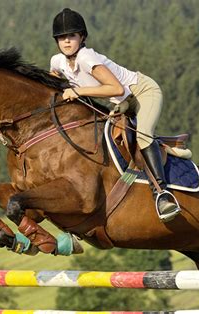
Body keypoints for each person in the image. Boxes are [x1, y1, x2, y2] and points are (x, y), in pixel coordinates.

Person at [50, 8, 180, 222]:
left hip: (142, 92)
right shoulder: (58, 61)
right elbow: (53, 79)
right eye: (62, 37)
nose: (66, 41)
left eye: (71, 36)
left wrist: (78, 91)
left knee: (143, 135)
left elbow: (116, 89)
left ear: (81, 37)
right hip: (120, 104)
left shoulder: (86, 57)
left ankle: (161, 193)